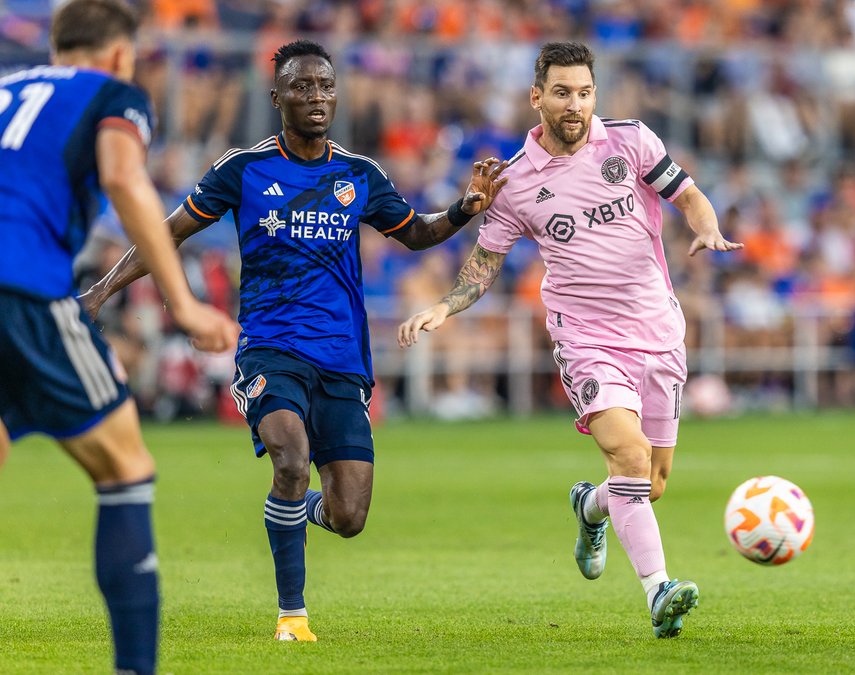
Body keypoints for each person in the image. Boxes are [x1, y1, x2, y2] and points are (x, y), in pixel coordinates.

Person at [79, 39, 509, 642]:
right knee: (291, 458)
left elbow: (416, 234)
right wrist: (100, 292)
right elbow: (166, 232)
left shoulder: (359, 175)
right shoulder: (243, 169)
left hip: (343, 359)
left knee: (349, 516)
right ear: (277, 96)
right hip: (270, 348)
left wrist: (465, 210)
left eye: (326, 86)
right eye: (302, 87)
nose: (316, 97)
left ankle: (299, 511)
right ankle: (292, 615)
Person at [397, 41, 741, 639]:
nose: (574, 104)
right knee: (630, 458)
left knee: (650, 484)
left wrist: (707, 226)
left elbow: (686, 195)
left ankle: (590, 506)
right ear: (537, 98)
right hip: (586, 339)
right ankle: (660, 593)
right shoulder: (515, 182)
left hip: (658, 328)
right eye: (561, 92)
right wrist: (444, 306)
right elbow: (483, 267)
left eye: (584, 92)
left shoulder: (632, 140)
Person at [0, 1, 239, 673]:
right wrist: (185, 304)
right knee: (126, 467)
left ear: (55, 44)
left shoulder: (6, 88)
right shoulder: (115, 93)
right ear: (120, 54)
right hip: (21, 287)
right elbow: (122, 174)